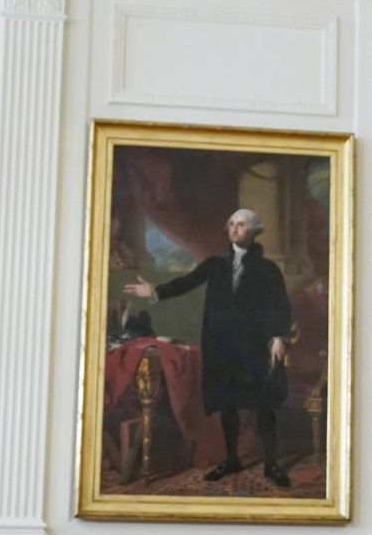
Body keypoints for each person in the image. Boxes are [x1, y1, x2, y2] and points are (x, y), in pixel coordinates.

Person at [123, 208, 294, 487]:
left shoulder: (268, 269)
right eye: (232, 224)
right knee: (227, 405)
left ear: (254, 231)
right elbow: (187, 282)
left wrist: (278, 337)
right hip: (223, 347)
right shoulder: (215, 264)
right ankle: (232, 458)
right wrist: (155, 291)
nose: (234, 229)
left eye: (241, 225)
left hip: (255, 348)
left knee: (264, 406)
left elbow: (280, 305)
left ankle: (271, 463)